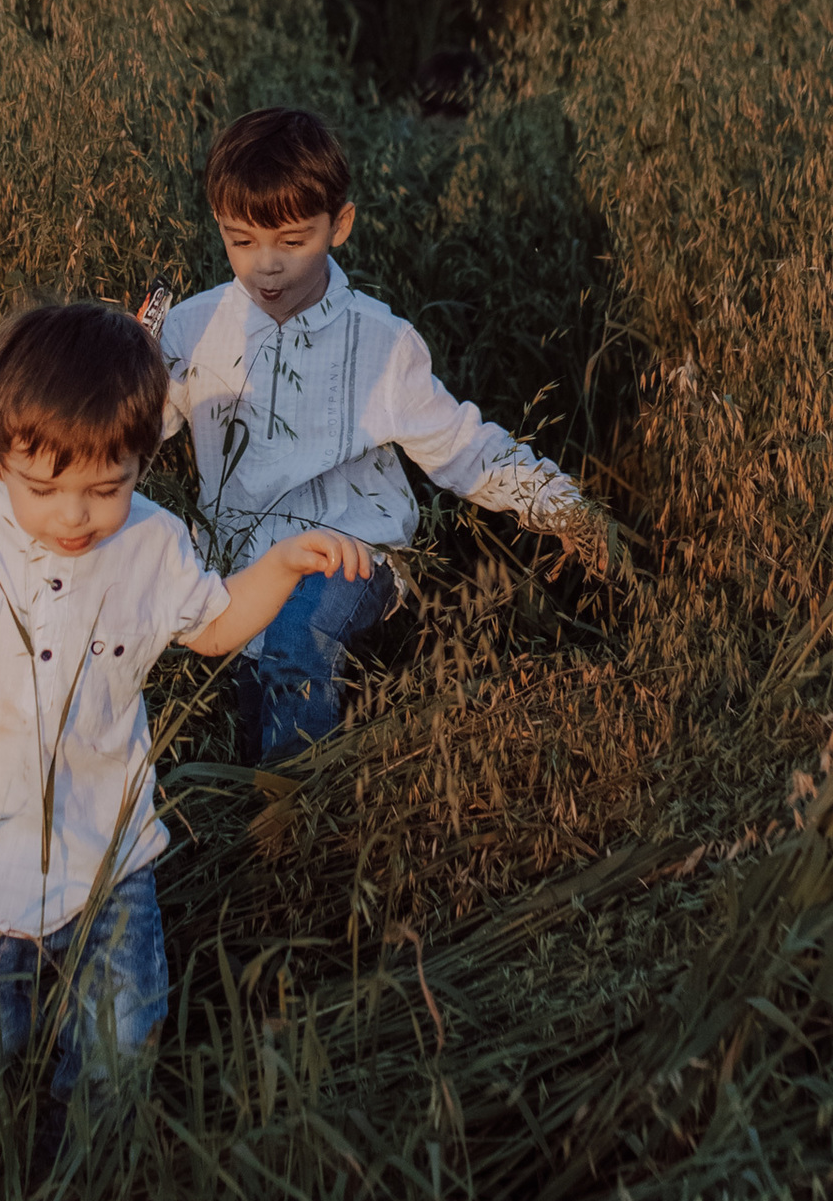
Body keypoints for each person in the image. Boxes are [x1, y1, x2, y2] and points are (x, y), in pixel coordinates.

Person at [0, 301, 371, 1108]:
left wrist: (282, 566)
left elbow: (213, 627)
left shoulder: (152, 543)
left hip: (107, 849)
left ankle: (89, 1165)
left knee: (118, 1037)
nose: (74, 515)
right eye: (42, 488)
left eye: (107, 487)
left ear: (142, 460)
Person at [161, 106, 608, 765]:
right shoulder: (190, 328)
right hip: (240, 565)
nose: (266, 267)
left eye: (292, 241)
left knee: (298, 639)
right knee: (255, 696)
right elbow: (127, 435)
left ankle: (295, 805)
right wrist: (121, 368)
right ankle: (259, 798)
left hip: (351, 555)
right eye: (242, 241)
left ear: (339, 225)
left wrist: (565, 507)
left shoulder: (381, 342)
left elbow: (463, 448)